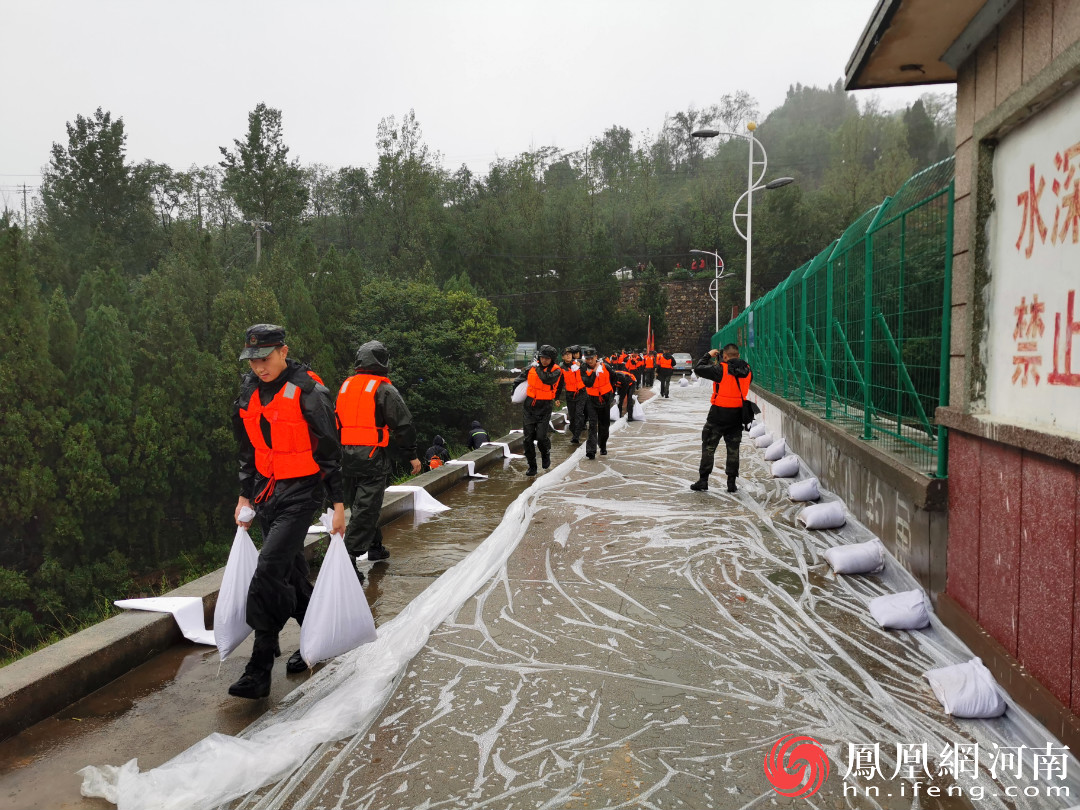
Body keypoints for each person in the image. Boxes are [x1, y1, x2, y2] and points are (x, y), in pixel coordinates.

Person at [231, 323, 345, 698]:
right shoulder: (249, 391)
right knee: (292, 574)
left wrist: (338, 504)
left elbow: (330, 451)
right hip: (266, 492)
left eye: (265, 359)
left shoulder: (309, 392)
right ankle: (316, 639)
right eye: (253, 362)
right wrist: (245, 496)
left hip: (301, 493)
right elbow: (249, 450)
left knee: (268, 572)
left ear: (283, 351)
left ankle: (259, 668)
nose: (259, 368)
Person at [336, 340, 421, 571]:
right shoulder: (383, 389)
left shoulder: (346, 386)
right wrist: (411, 454)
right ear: (383, 362)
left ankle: (375, 547)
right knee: (367, 508)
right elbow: (404, 425)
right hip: (371, 457)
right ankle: (347, 558)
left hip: (345, 456)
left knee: (362, 504)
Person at [690, 343, 753, 493]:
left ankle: (703, 480)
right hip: (737, 415)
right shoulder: (748, 370)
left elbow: (698, 368)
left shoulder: (721, 369)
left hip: (717, 415)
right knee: (733, 450)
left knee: (708, 447)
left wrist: (708, 355)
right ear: (738, 355)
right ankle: (731, 483)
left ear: (724, 356)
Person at [512, 344, 564, 476]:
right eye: (542, 357)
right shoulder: (531, 368)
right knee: (528, 439)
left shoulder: (556, 370)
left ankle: (545, 453)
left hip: (544, 407)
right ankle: (532, 466)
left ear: (552, 359)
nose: (544, 360)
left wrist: (537, 367)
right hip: (529, 406)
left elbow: (546, 379)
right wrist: (515, 393)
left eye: (547, 358)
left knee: (541, 437)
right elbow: (519, 379)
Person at [578, 346, 614, 459]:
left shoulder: (606, 366)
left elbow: (614, 377)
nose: (589, 361)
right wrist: (594, 371)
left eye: (591, 358)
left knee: (604, 425)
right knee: (592, 425)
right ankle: (591, 450)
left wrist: (610, 392)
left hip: (605, 399)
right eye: (587, 358)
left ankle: (602, 446)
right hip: (592, 399)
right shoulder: (583, 369)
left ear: (596, 357)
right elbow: (588, 383)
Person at [560, 346, 585, 444]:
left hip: (581, 392)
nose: (568, 355)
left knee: (579, 414)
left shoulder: (578, 364)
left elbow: (587, 372)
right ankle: (575, 432)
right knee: (572, 417)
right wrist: (556, 397)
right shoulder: (561, 368)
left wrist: (581, 366)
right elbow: (559, 383)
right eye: (566, 354)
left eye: (570, 354)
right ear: (562, 357)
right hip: (570, 394)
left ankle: (576, 436)